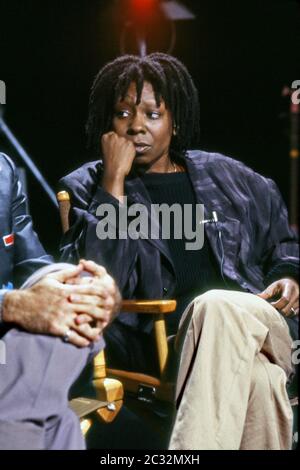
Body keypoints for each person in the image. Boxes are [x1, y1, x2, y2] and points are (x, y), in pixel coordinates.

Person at [59, 53, 299, 450]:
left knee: (215, 306)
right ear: (108, 122)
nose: (137, 125)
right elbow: (99, 284)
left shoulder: (228, 178)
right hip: (170, 347)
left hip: (264, 328)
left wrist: (288, 275)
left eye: (153, 114)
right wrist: (113, 184)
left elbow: (284, 243)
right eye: (123, 113)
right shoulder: (89, 187)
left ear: (176, 121)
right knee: (259, 382)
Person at [0, 152, 121, 449]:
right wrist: (10, 305)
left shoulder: (2, 169)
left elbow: (36, 266)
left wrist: (98, 293)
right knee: (59, 423)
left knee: (78, 283)